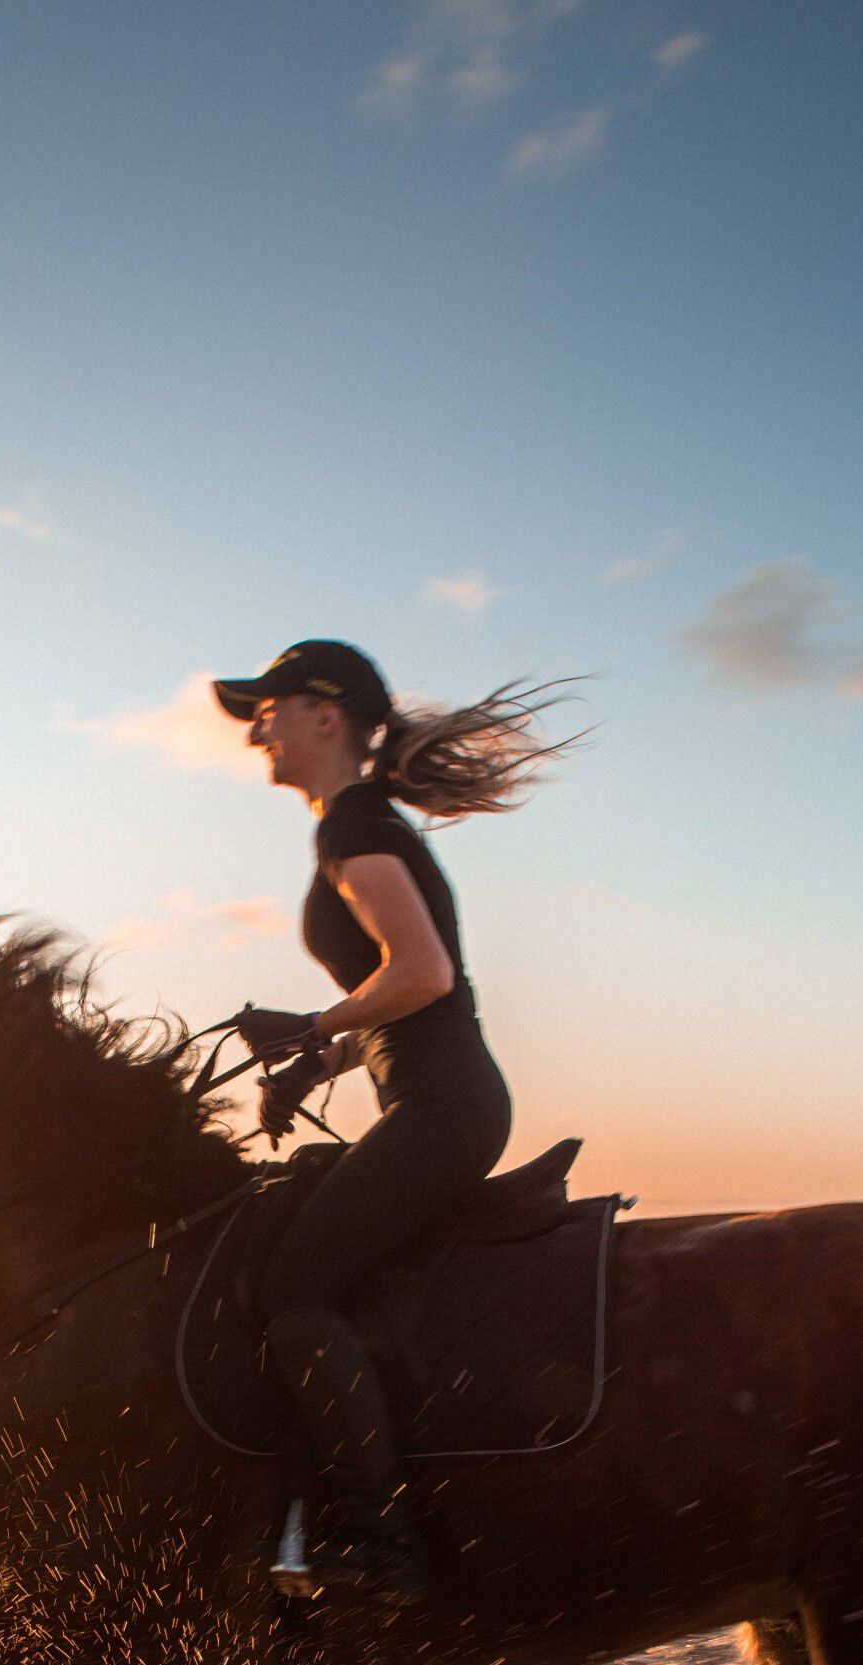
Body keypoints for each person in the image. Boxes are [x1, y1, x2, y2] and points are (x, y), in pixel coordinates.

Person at [211, 638, 559, 1603]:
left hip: (444, 1110)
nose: (255, 729)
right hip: (435, 1098)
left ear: (327, 717)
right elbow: (406, 1001)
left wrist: (312, 1022)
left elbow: (424, 977)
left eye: (269, 709)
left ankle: (377, 1542)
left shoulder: (355, 825)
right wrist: (317, 1064)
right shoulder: (356, 822)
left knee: (294, 1290)